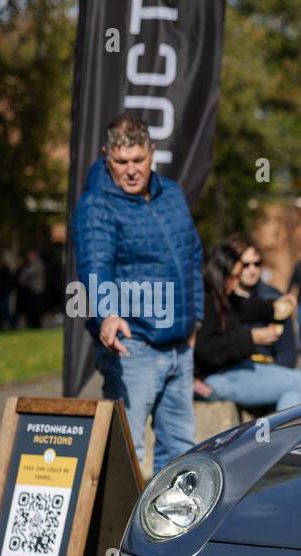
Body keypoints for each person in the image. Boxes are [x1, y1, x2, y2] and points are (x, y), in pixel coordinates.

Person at [74, 113, 203, 474]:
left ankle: (173, 530)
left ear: (152, 153)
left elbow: (193, 255)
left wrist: (196, 320)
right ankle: (117, 532)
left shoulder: (173, 194)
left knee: (181, 455)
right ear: (106, 157)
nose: (130, 170)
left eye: (138, 160)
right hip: (134, 348)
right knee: (125, 458)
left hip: (179, 346)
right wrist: (107, 315)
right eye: (121, 162)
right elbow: (94, 264)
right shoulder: (96, 205)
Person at [195, 244, 301, 411]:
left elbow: (250, 307)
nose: (236, 284)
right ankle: (284, 436)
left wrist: (276, 305)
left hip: (235, 370)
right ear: (220, 274)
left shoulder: (225, 297)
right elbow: (208, 350)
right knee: (297, 383)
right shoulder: (206, 301)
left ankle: (283, 433)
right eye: (234, 277)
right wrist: (251, 338)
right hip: (214, 378)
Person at [228, 235, 298, 369]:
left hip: (268, 370)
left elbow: (288, 352)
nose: (253, 270)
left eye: (257, 264)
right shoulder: (221, 299)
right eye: (246, 265)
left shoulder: (274, 298)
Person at [15, 248, 46, 329]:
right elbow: (22, 278)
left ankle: (36, 326)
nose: (29, 258)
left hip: (37, 291)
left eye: (30, 256)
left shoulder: (38, 264)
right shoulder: (30, 265)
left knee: (36, 311)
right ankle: (32, 326)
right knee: (31, 312)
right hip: (31, 291)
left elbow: (25, 275)